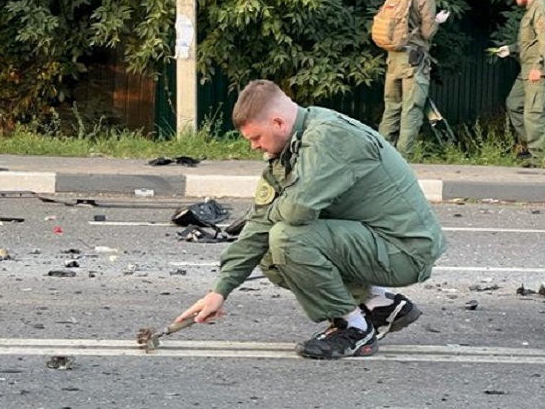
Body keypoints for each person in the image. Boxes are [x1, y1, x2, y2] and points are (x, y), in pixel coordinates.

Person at [176, 80, 446, 359]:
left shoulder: (329, 138)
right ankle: (378, 304)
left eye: (256, 138)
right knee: (269, 249)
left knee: (287, 237)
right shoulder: (289, 149)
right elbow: (258, 224)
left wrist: (270, 214)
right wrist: (219, 291)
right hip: (374, 241)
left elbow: (296, 211)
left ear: (279, 122)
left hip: (404, 250)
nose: (254, 147)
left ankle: (353, 328)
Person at [377, 0, 450, 158]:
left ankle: (382, 156)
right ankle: (403, 157)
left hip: (393, 56)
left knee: (391, 106)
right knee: (412, 108)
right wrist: (437, 21)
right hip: (414, 59)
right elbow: (427, 32)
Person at [493, 0, 545, 165]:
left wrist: (540, 67)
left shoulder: (541, 8)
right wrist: (510, 49)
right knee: (514, 104)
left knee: (535, 114)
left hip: (538, 70)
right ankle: (529, 148)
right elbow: (532, 41)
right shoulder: (533, 9)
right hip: (527, 69)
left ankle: (539, 160)